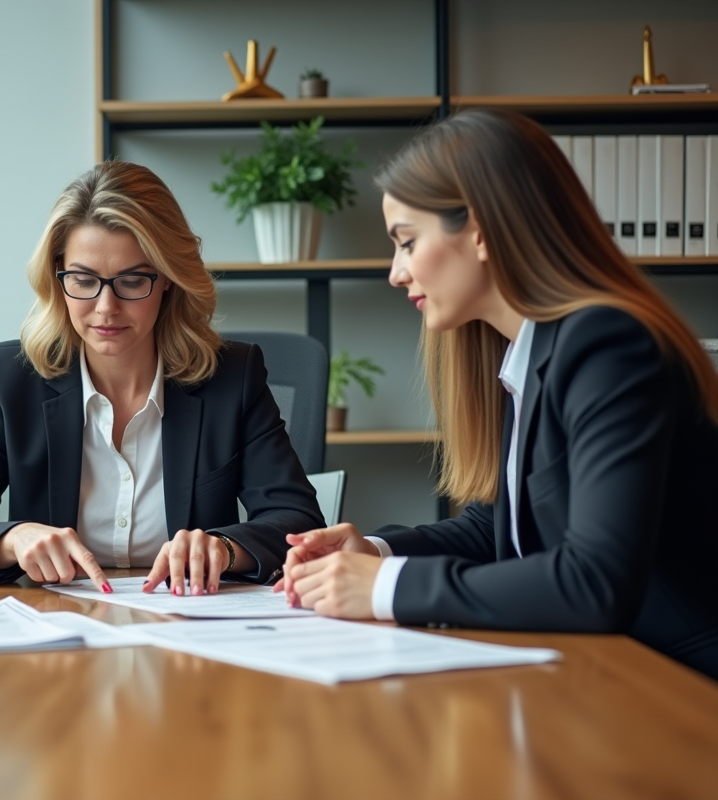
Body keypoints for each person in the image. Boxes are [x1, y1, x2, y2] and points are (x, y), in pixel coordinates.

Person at [278, 109, 718, 680]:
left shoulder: (607, 345)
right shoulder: (530, 353)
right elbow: (499, 530)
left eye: (407, 243)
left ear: (481, 230)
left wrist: (387, 588)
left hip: (678, 689)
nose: (396, 272)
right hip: (602, 672)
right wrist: (377, 554)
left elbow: (596, 581)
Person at [0, 161, 323, 595]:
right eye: (84, 280)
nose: (106, 306)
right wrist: (12, 539)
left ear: (167, 280)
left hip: (189, 625)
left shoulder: (231, 379)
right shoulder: (11, 380)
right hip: (58, 630)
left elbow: (299, 521)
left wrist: (224, 547)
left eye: (132, 280)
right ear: (57, 277)